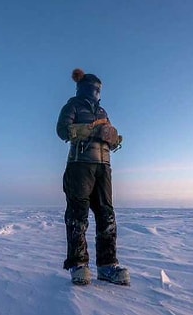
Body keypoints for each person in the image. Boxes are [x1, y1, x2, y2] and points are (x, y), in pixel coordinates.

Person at [56, 68, 130, 286]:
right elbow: (62, 130)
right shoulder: (72, 106)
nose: (96, 92)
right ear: (82, 87)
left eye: (99, 89)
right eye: (93, 88)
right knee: (78, 214)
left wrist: (115, 139)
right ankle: (78, 264)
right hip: (79, 165)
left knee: (106, 214)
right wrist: (92, 131)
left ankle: (107, 266)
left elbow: (108, 137)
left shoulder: (103, 112)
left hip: (103, 167)